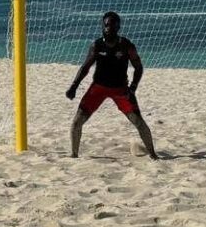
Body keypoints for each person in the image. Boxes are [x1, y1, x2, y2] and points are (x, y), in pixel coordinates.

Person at [65, 11, 158, 159]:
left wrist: (132, 88)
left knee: (138, 122)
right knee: (77, 122)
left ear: (118, 27)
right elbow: (85, 67)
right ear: (102, 26)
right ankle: (73, 155)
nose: (109, 28)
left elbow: (138, 67)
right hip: (98, 88)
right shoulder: (96, 45)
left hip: (120, 90)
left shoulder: (127, 45)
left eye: (113, 25)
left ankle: (153, 154)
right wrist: (74, 86)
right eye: (107, 25)